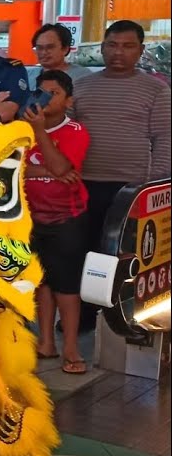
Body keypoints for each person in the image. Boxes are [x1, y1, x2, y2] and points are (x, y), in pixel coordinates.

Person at [72, 20, 171, 333]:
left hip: (130, 190)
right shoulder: (82, 86)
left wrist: (152, 185)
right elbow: (67, 131)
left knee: (120, 258)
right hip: (81, 184)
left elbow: (165, 138)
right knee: (84, 252)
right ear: (102, 48)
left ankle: (118, 321)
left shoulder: (156, 89)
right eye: (112, 45)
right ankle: (83, 317)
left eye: (128, 46)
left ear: (140, 50)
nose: (119, 52)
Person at [24, 70, 91, 374]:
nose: (46, 98)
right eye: (42, 92)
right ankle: (46, 343)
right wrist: (47, 171)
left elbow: (64, 169)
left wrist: (40, 133)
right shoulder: (20, 129)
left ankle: (71, 349)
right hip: (31, 218)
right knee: (42, 282)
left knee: (66, 286)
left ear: (68, 101)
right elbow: (14, 169)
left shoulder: (75, 130)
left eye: (54, 93)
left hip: (66, 218)